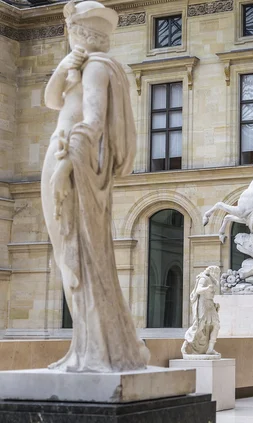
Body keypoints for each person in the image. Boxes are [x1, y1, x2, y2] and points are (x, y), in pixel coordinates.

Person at [40, 0, 148, 372]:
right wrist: (61, 69)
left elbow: (94, 122)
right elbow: (52, 101)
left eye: (70, 31)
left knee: (78, 259)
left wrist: (65, 166)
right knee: (72, 257)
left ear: (80, 33)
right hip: (67, 159)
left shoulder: (98, 68)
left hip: (71, 164)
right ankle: (90, 349)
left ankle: (94, 352)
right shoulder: (86, 67)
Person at [182, 266, 222, 356]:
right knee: (199, 326)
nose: (216, 275)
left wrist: (212, 276)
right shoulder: (203, 278)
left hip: (210, 304)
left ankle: (210, 348)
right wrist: (206, 288)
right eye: (215, 273)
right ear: (211, 271)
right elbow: (198, 290)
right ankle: (186, 342)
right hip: (203, 304)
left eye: (217, 273)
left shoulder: (210, 278)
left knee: (216, 325)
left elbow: (217, 284)